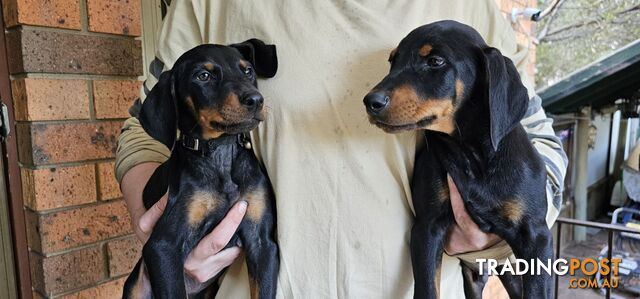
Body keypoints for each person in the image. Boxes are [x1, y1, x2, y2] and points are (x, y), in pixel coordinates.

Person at [115, 1, 568, 298]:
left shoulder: (470, 8)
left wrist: (489, 233)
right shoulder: (210, 4)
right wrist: (167, 238)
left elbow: (535, 140)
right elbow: (142, 131)